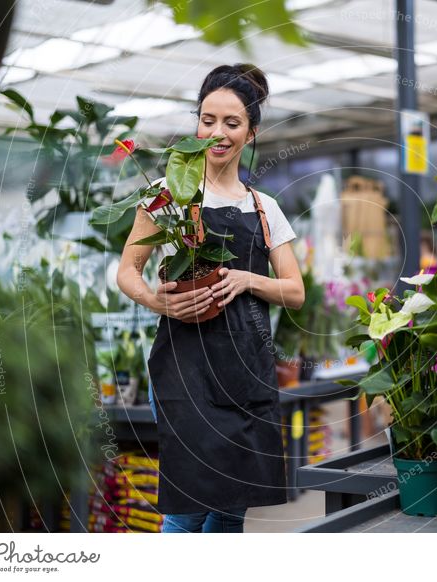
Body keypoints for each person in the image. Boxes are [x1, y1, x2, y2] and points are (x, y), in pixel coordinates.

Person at [116, 64, 305, 533]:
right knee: (186, 511)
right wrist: (158, 303)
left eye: (231, 123)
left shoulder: (264, 208)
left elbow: (295, 292)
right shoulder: (169, 195)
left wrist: (247, 280)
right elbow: (127, 272)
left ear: (251, 133)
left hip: (245, 370)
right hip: (186, 371)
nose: (216, 132)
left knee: (229, 512)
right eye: (207, 120)